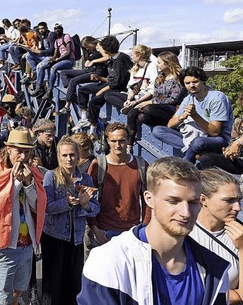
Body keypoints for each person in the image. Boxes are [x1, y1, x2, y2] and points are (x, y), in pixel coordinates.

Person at [78, 157, 230, 304]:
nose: (186, 212)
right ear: (149, 199)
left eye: (193, 202)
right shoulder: (109, 261)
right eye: (173, 201)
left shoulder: (215, 269)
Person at [0, 127, 47, 305]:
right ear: (9, 148)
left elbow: (37, 206)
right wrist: (16, 182)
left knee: (18, 290)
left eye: (27, 151)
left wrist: (28, 184)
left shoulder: (34, 171)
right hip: (4, 246)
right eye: (19, 151)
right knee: (2, 298)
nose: (23, 157)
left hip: (26, 244)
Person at [42, 137, 99, 305]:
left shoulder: (86, 179)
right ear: (59, 157)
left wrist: (85, 205)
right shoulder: (51, 177)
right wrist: (67, 203)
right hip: (54, 237)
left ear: (78, 155)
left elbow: (96, 208)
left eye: (72, 155)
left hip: (76, 239)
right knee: (53, 286)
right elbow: (48, 207)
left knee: (73, 284)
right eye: (65, 155)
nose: (69, 159)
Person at [86, 122, 150, 254]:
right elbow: (88, 199)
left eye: (121, 140)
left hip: (132, 231)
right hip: (104, 230)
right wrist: (95, 229)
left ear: (128, 141)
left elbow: (148, 200)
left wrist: (144, 227)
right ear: (108, 141)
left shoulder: (141, 165)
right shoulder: (98, 166)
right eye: (113, 141)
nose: (117, 145)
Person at [153, 67, 233, 162]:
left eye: (195, 82)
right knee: (158, 130)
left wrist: (194, 115)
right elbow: (170, 124)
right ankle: (194, 151)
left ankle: (186, 161)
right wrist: (182, 117)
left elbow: (215, 132)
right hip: (193, 137)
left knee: (198, 142)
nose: (191, 85)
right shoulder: (189, 98)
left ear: (202, 81)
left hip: (217, 139)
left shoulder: (217, 98)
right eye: (187, 83)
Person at [190, 168, 243, 302]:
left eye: (239, 200)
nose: (238, 207)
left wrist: (242, 249)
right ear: (203, 199)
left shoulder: (239, 235)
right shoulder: (184, 234)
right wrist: (234, 296)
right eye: (229, 200)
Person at [125, 51, 185, 146]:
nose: (157, 65)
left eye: (159, 62)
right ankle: (129, 143)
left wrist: (151, 101)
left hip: (172, 109)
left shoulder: (178, 78)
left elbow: (173, 100)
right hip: (158, 106)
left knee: (147, 108)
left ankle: (171, 125)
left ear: (167, 63)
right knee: (136, 114)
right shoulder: (159, 78)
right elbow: (157, 95)